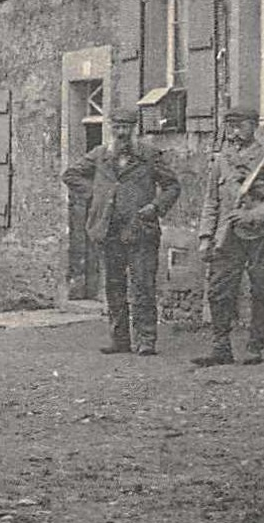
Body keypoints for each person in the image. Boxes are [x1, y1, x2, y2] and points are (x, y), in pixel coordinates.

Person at [62, 106, 181, 356]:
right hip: (110, 231)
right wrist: (96, 194)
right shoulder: (100, 155)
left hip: (141, 230)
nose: (121, 133)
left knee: (143, 286)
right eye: (117, 128)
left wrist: (155, 207)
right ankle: (120, 340)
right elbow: (70, 175)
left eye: (126, 128)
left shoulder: (148, 155)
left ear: (134, 129)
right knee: (114, 287)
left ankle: (146, 339)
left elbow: (171, 186)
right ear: (111, 129)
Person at [193, 105, 264, 367]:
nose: (235, 132)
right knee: (219, 290)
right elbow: (211, 202)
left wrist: (251, 216)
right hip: (228, 236)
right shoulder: (221, 161)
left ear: (253, 126)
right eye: (230, 127)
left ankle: (254, 346)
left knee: (261, 289)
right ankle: (221, 346)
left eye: (240, 126)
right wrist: (206, 236)